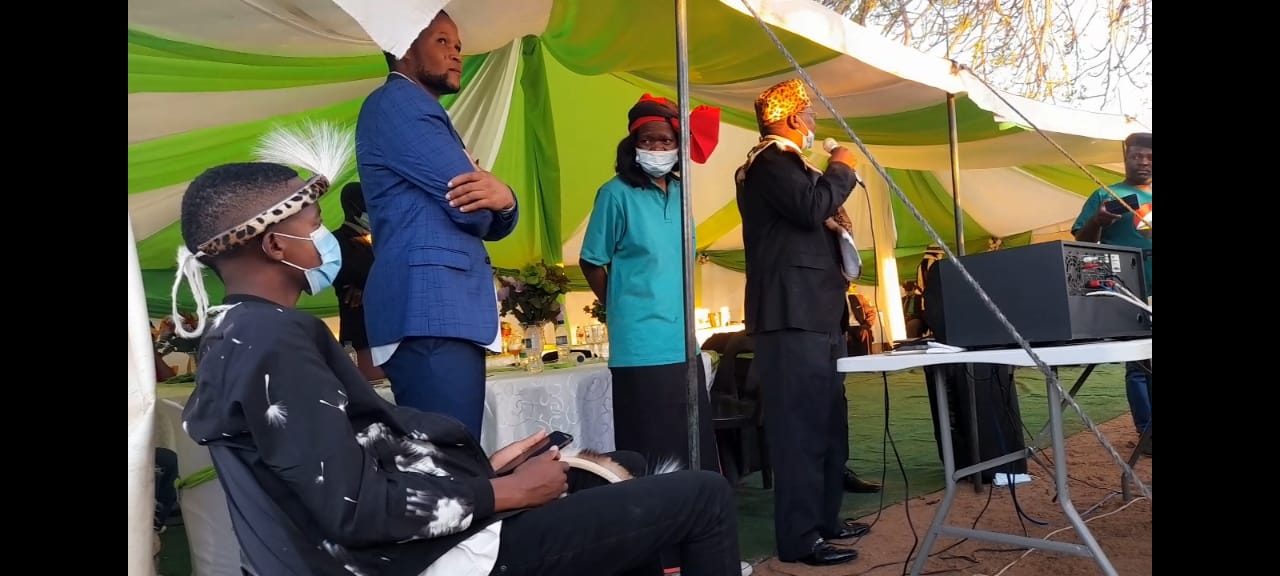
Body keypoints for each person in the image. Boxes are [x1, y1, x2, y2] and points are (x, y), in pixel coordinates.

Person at [168, 151, 742, 576]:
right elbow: (356, 511)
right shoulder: (274, 339)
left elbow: (339, 466)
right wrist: (507, 493)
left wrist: (480, 472)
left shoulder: (237, 333)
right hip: (415, 560)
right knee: (703, 496)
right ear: (275, 246)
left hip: (391, 543)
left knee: (623, 464)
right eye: (314, 220)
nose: (327, 233)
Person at [355, 9, 518, 439]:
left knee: (452, 453)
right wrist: (495, 196)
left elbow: (490, 211)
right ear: (405, 47)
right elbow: (473, 210)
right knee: (450, 457)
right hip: (429, 312)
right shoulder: (400, 104)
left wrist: (505, 198)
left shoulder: (419, 110)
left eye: (458, 45)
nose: (456, 53)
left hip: (436, 314)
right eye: (442, 41)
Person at [734, 78, 864, 567]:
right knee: (800, 431)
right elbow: (811, 208)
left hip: (817, 312)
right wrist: (841, 168)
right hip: (789, 315)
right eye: (810, 116)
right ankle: (799, 537)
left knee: (828, 424)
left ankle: (826, 519)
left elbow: (812, 216)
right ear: (792, 118)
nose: (814, 124)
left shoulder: (792, 167)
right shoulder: (770, 160)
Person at [579, 94, 722, 475]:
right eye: (647, 141)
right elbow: (592, 260)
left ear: (678, 147)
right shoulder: (615, 194)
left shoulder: (681, 194)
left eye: (665, 141)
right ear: (633, 145)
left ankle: (697, 507)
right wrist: (619, 306)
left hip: (684, 341)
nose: (657, 148)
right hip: (640, 345)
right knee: (651, 449)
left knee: (692, 443)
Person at [1071, 131, 1152, 455]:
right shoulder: (1106, 194)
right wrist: (1098, 220)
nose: (1143, 162)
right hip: (1130, 288)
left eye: (1149, 157)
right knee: (1140, 364)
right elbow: (1082, 241)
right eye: (1136, 156)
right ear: (1126, 157)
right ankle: (1147, 433)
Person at [332, 182, 385, 382]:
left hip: (386, 329)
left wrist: (367, 287)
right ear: (353, 207)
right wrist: (371, 284)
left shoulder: (379, 240)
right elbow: (353, 272)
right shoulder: (336, 240)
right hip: (360, 335)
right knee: (372, 387)